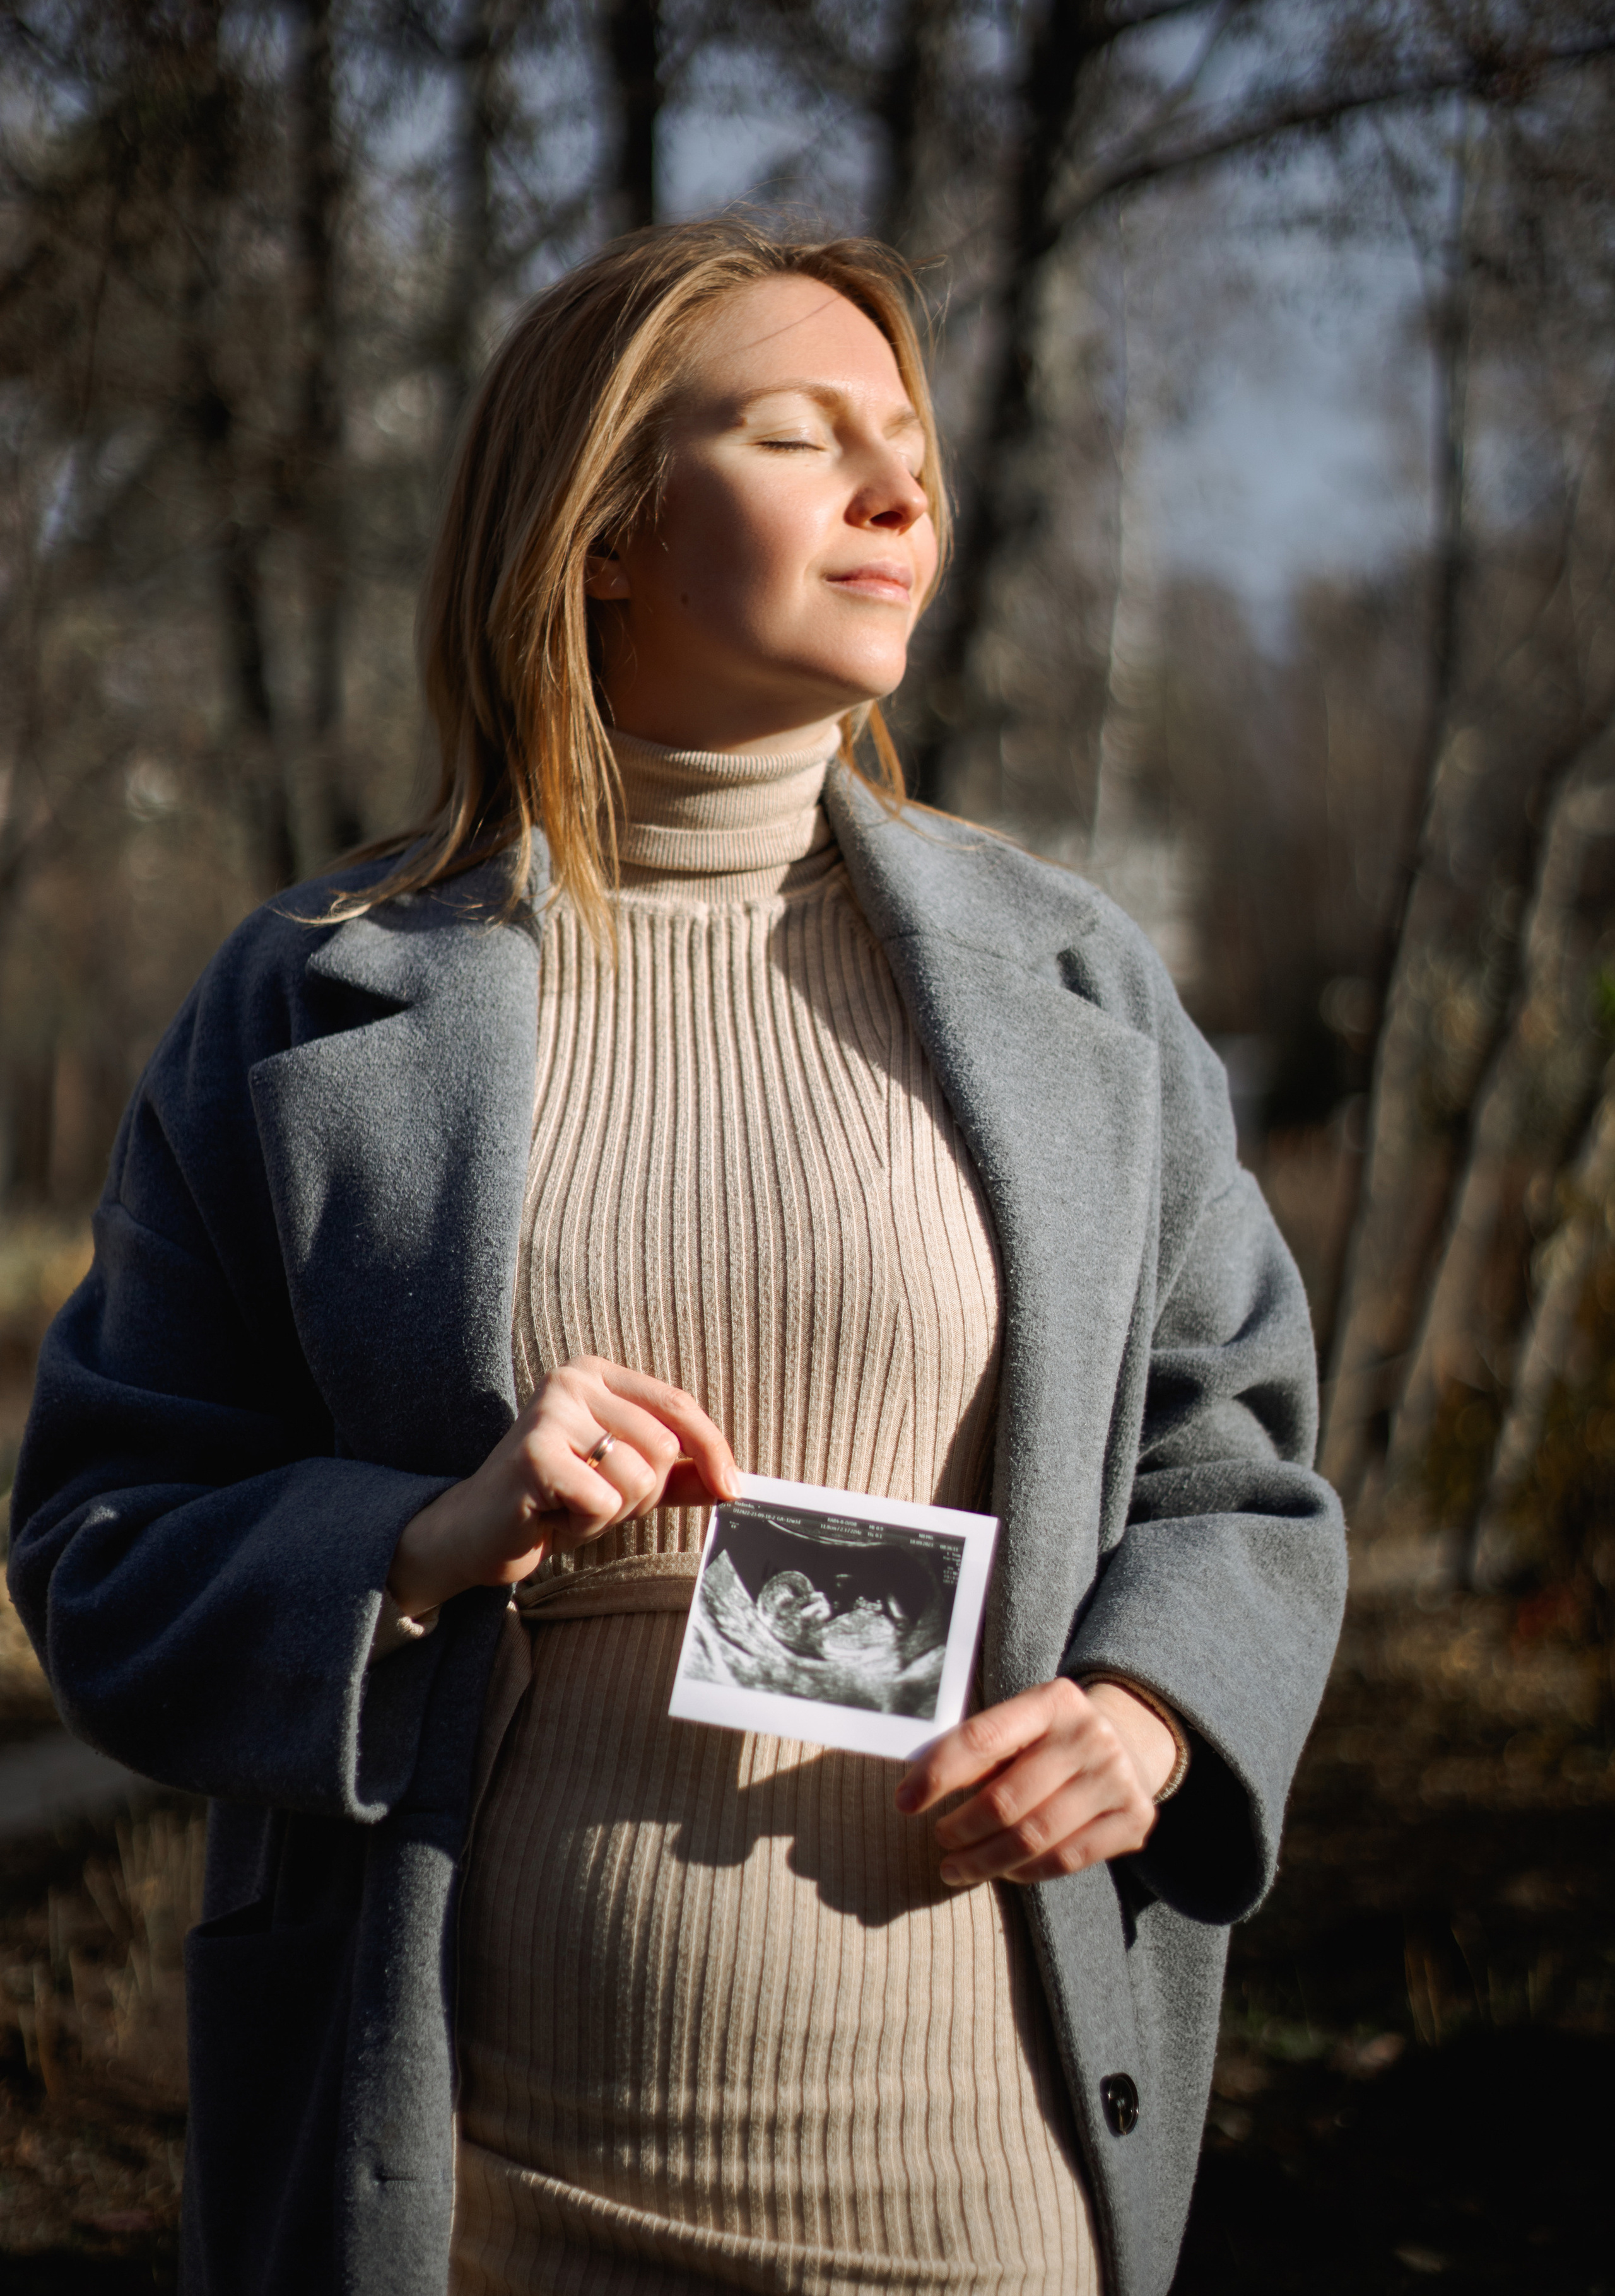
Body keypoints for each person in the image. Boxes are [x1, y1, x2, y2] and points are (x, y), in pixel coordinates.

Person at [8, 219, 1347, 2296]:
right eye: (804, 438)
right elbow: (101, 1542)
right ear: (606, 525)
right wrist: (421, 1540)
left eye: (907, 445)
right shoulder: (307, 1008)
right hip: (457, 2191)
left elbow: (1241, 1471)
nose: (902, 492)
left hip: (974, 2185)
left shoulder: (1077, 990)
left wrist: (1156, 1710)